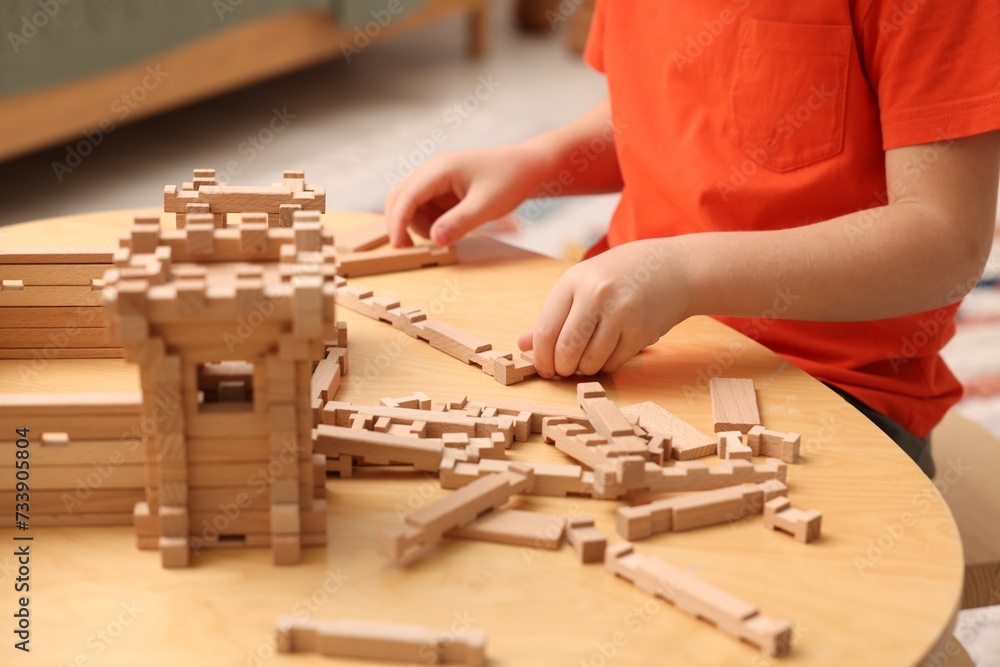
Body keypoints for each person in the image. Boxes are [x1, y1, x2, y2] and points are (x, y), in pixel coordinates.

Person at [384, 1, 1000, 477]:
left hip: (832, 386)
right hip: (628, 348)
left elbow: (942, 243)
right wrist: (536, 161)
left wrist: (683, 275)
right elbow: (664, 112)